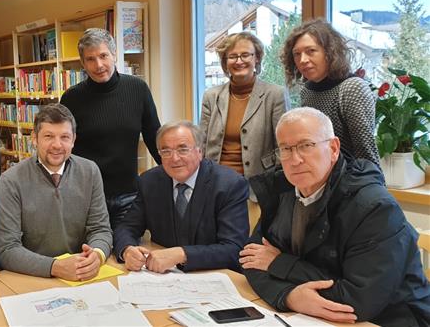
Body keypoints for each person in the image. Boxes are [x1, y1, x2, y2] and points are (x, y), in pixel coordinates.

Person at [241, 107, 430, 326]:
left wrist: (280, 265)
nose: (295, 159)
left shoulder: (374, 207)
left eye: (306, 146)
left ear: (333, 148)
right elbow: (251, 259)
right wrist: (288, 297)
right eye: (285, 148)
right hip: (310, 316)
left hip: (390, 318)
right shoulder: (281, 189)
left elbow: (357, 301)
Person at [0, 103, 112, 281]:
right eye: (48, 136)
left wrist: (97, 254)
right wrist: (55, 267)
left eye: (65, 137)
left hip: (79, 275)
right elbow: (7, 249)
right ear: (34, 138)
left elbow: (101, 229)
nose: (57, 145)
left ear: (73, 140)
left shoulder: (90, 171)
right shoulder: (11, 181)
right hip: (33, 277)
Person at [114, 121, 249, 273]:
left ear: (200, 151)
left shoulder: (229, 185)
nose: (174, 158)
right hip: (162, 278)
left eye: (183, 149)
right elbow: (126, 227)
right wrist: (127, 250)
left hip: (214, 275)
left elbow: (234, 249)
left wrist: (182, 254)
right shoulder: (149, 181)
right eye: (166, 151)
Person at [60, 28, 161, 231]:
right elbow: (62, 147)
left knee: (127, 251)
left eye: (103, 56)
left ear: (114, 55)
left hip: (128, 195)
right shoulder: (71, 98)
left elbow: (154, 137)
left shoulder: (138, 89)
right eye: (90, 59)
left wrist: (174, 178)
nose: (98, 65)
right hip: (87, 196)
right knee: (93, 253)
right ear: (83, 63)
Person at [200, 32, 288, 229]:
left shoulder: (275, 94)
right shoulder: (211, 96)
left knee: (249, 248)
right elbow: (202, 143)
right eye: (232, 56)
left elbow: (284, 145)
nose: (239, 61)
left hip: (257, 188)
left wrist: (270, 177)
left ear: (256, 58)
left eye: (245, 55)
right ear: (225, 62)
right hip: (216, 186)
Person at [281, 18, 380, 168]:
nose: (303, 60)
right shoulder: (307, 90)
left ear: (329, 52)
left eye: (311, 51)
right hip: (316, 183)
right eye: (296, 54)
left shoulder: (352, 88)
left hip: (351, 184)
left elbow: (366, 157)